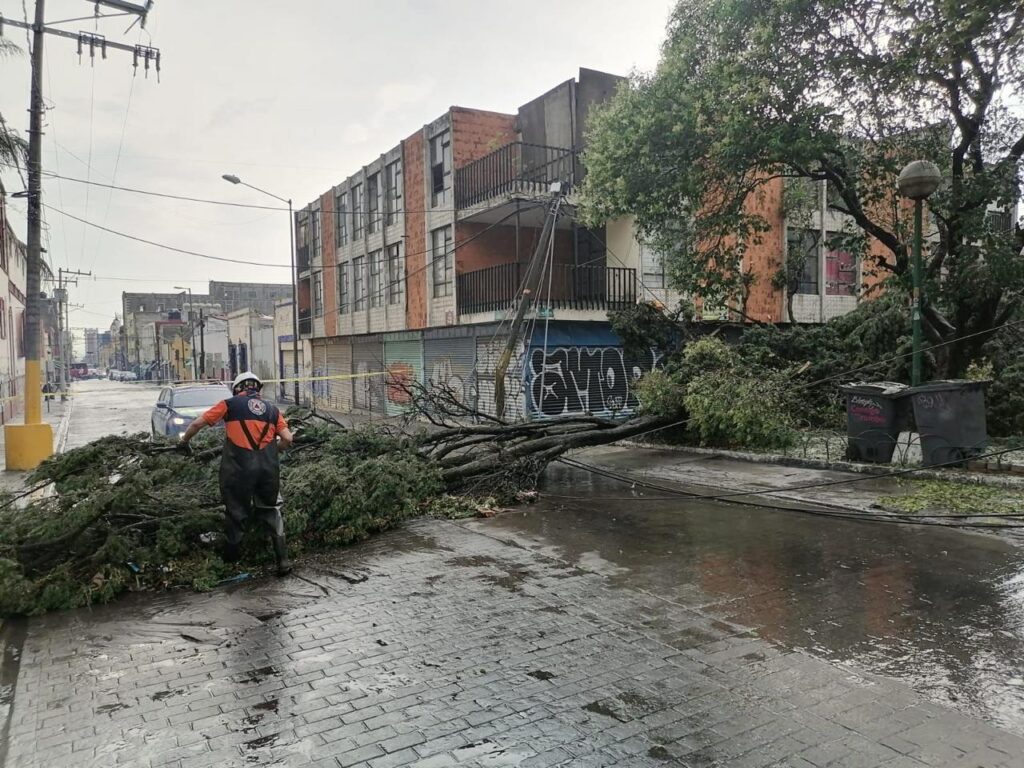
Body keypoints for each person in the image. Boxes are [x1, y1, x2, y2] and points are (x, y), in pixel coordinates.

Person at [179, 372, 295, 576]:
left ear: (238, 388)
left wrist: (184, 443)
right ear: (257, 389)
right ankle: (283, 561)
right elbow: (287, 438)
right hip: (268, 470)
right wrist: (271, 451)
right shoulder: (273, 410)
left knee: (237, 512)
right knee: (271, 509)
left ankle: (231, 561)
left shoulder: (229, 405)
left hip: (239, 470)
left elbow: (197, 424)